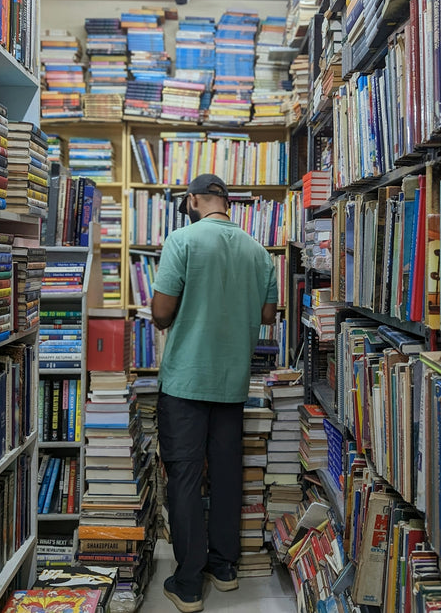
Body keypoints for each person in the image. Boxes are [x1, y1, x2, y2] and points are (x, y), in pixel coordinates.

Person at [151, 173, 278, 613]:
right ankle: (224, 568)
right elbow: (267, 315)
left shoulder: (181, 240)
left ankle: (187, 584)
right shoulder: (260, 253)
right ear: (227, 202)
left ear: (193, 200)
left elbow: (162, 315)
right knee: (226, 474)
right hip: (232, 382)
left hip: (186, 380)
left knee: (184, 477)